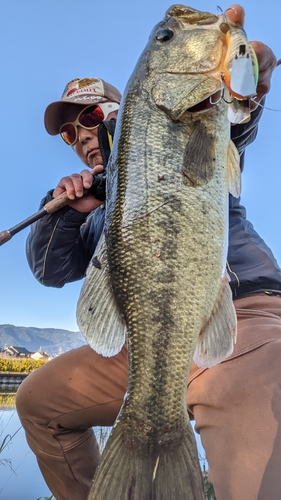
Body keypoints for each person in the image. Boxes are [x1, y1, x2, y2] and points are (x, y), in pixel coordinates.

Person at [15, 5, 281, 500]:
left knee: (260, 469)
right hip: (143, 352)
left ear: (124, 108)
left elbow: (232, 126)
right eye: (71, 131)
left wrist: (248, 86)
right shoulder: (86, 202)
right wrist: (69, 213)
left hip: (241, 313)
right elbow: (51, 272)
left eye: (92, 116)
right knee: (37, 402)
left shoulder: (184, 125)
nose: (83, 135)